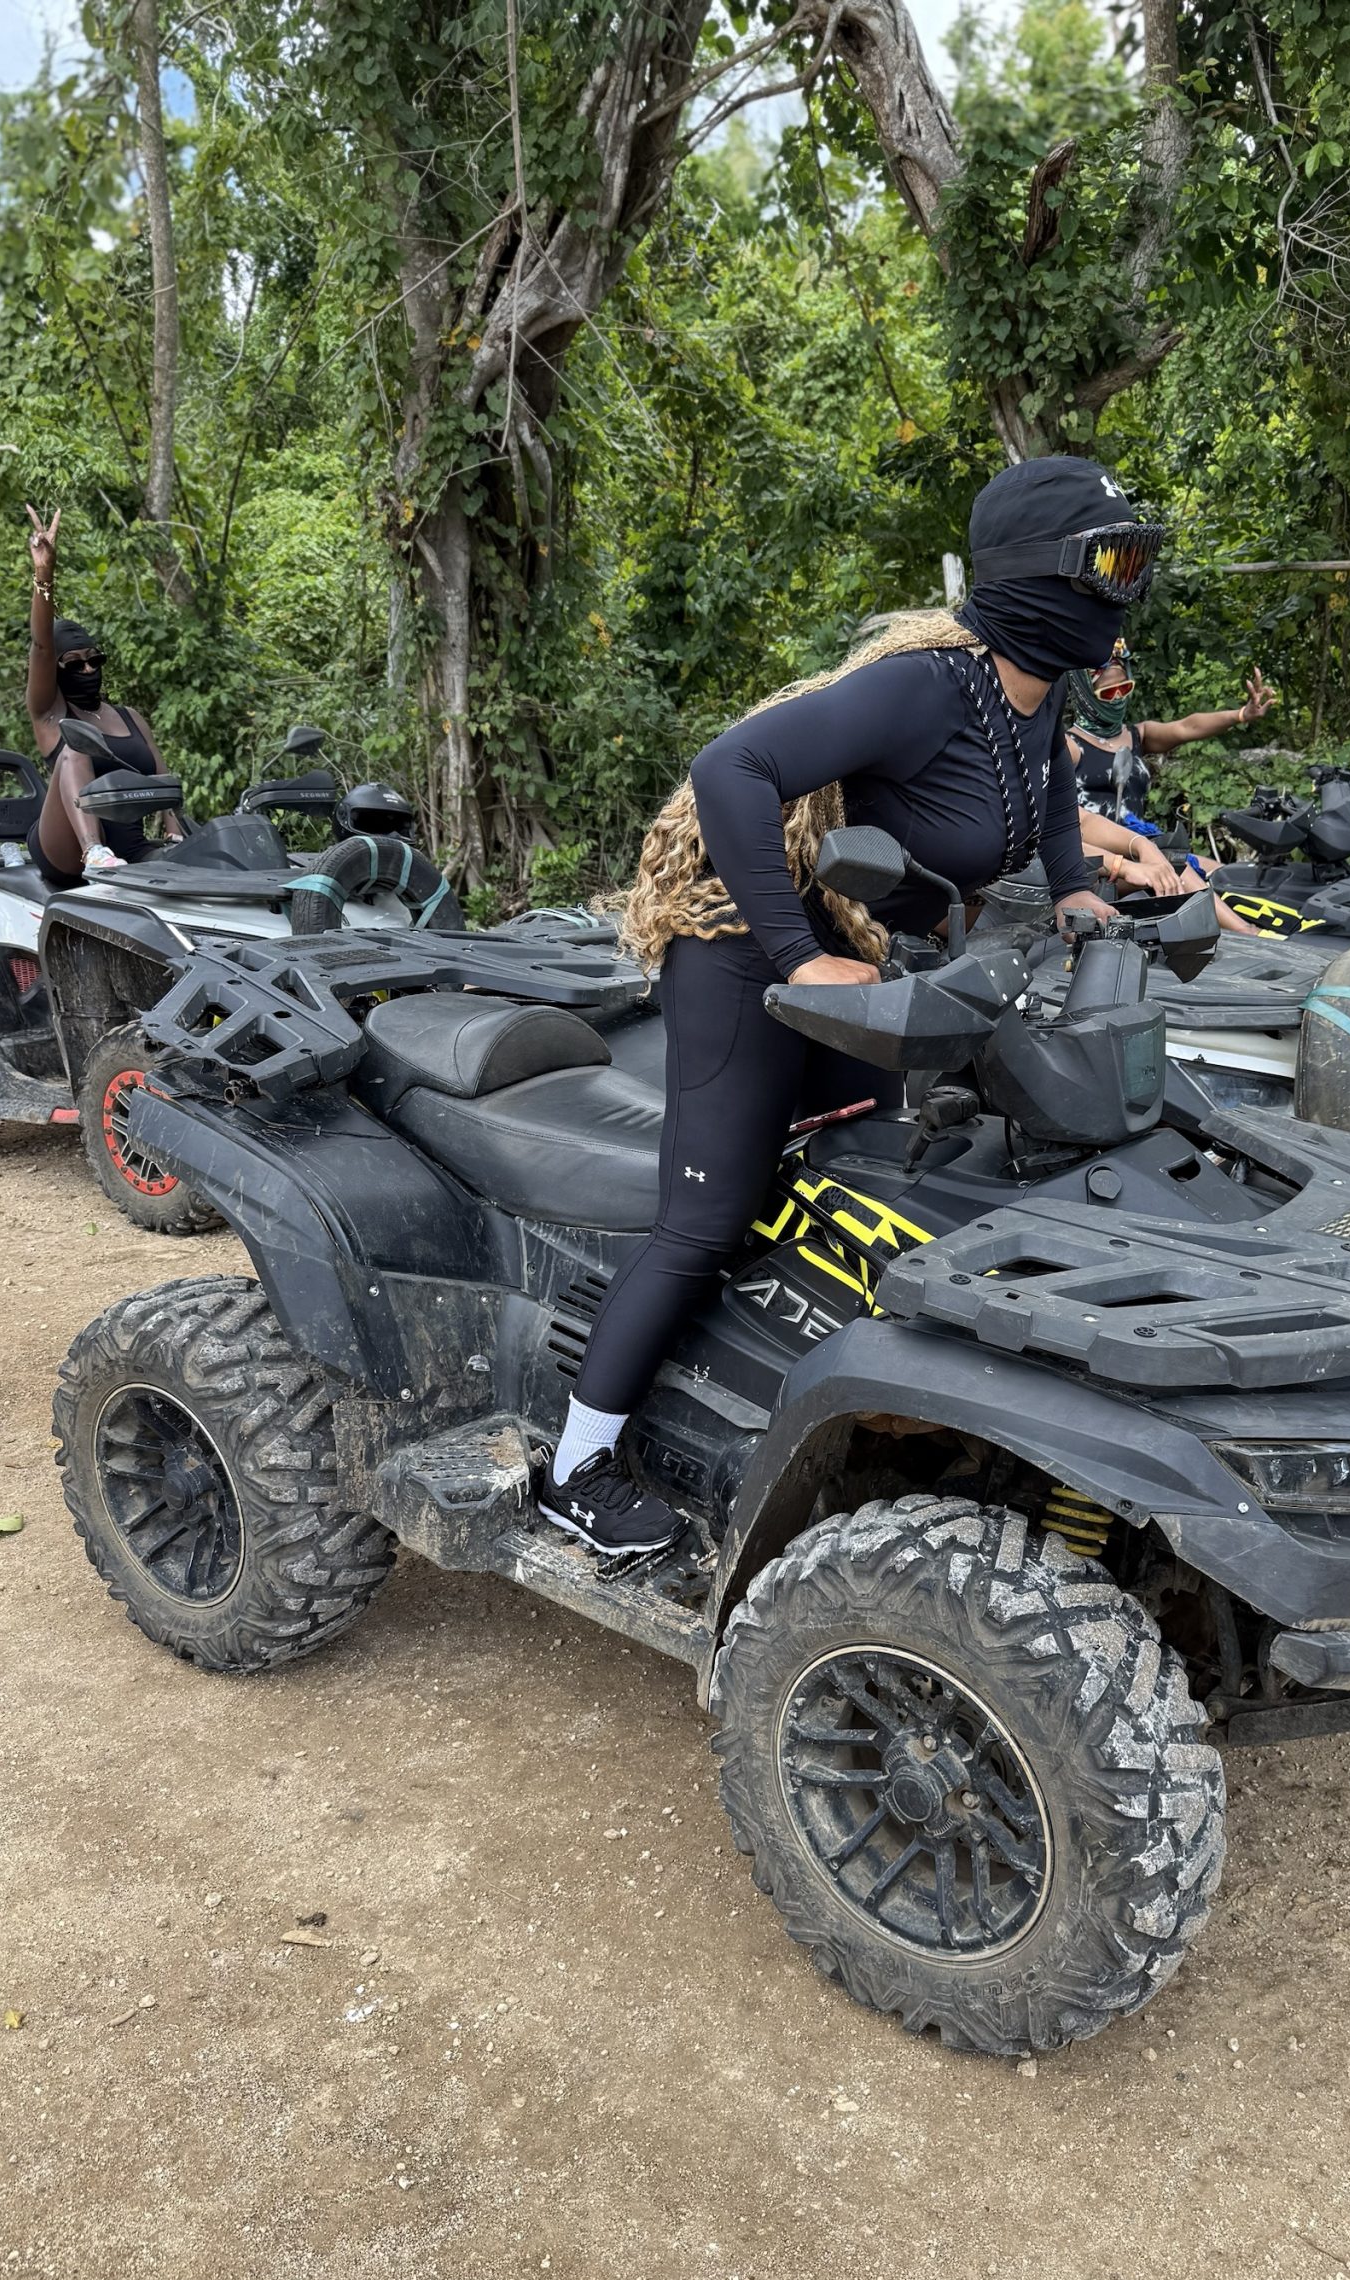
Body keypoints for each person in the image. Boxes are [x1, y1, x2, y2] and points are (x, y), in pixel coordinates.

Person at [537, 455, 1160, 1558]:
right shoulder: (927, 684)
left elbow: (1050, 787)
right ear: (1039, 578)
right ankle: (576, 1463)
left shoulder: (1037, 687)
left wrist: (1072, 887)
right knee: (707, 1216)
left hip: (856, 941)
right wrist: (792, 953)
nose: (1125, 588)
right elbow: (732, 765)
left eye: (1135, 559)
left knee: (877, 1168)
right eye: (1107, 564)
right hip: (743, 937)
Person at [22, 505, 183, 887]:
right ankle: (93, 849)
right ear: (58, 672)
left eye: (95, 660)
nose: (89, 670)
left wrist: (177, 836)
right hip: (64, 849)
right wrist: (44, 573)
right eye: (75, 664)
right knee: (77, 747)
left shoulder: (130, 717)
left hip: (130, 846)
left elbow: (162, 781)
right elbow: (43, 647)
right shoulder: (50, 713)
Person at [1068, 641, 1274, 924]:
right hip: (1102, 859)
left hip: (1144, 845)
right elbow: (1074, 823)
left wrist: (1241, 715)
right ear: (1085, 692)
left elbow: (1187, 726)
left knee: (1222, 872)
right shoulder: (1071, 746)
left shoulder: (1136, 735)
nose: (1117, 698)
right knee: (1175, 864)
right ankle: (1250, 937)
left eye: (1124, 688)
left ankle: (1274, 925)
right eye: (1108, 691)